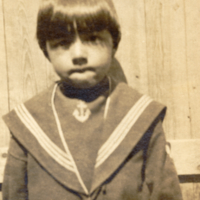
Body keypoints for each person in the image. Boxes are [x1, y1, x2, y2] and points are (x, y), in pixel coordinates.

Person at [2, 0, 182, 199]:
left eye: (93, 38)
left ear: (114, 43)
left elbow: (167, 193)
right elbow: (13, 194)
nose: (78, 54)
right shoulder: (29, 122)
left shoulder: (141, 115)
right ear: (46, 51)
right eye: (62, 43)